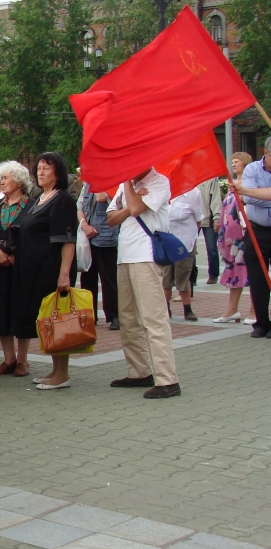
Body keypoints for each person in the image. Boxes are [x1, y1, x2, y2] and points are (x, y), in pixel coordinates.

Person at [106, 167, 181, 398]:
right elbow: (110, 219)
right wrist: (129, 205)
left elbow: (138, 209)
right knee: (128, 318)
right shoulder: (123, 186)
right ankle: (139, 371)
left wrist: (129, 200)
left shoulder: (159, 182)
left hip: (146, 256)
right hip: (125, 256)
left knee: (153, 318)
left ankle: (167, 379)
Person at [11, 153, 78, 390]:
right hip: (33, 269)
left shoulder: (63, 201)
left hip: (51, 269)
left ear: (58, 173)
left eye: (46, 169)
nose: (40, 173)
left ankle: (63, 373)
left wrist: (64, 273)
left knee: (56, 320)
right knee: (46, 321)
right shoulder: (39, 198)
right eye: (38, 168)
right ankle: (55, 369)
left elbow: (68, 240)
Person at [0, 161, 34, 377]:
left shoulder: (31, 205)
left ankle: (22, 360)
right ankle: (8, 359)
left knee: (21, 310)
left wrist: (15, 255)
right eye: (0, 177)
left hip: (22, 267)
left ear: (19, 181)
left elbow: (34, 235)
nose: (1, 181)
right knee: (0, 311)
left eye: (6, 178)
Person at [235, 136, 271, 338]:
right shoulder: (252, 169)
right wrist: (256, 194)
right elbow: (248, 198)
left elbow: (248, 194)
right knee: (257, 278)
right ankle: (261, 322)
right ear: (266, 153)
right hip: (257, 229)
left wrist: (255, 193)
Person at [216, 153, 256, 323]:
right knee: (233, 271)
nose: (233, 164)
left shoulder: (250, 185)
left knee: (253, 272)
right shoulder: (232, 185)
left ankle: (255, 311)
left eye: (236, 161)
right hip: (232, 239)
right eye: (231, 161)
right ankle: (232, 310)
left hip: (246, 235)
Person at [77, 182, 120, 329]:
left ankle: (114, 315)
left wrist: (100, 182)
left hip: (106, 238)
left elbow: (101, 197)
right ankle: (90, 315)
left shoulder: (113, 184)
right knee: (87, 278)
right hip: (88, 237)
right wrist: (85, 225)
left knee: (109, 278)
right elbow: (80, 207)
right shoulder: (87, 185)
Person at [164, 187, 203, 322]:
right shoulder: (163, 189)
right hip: (166, 243)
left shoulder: (194, 193)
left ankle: (187, 309)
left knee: (183, 276)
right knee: (165, 278)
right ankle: (166, 308)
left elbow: (198, 220)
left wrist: (192, 237)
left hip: (185, 243)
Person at [198, 177, 224, 285]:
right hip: (192, 218)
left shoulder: (211, 178)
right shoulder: (189, 174)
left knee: (212, 248)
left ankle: (213, 275)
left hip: (208, 218)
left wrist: (217, 218)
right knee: (190, 250)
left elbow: (216, 199)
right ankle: (191, 278)